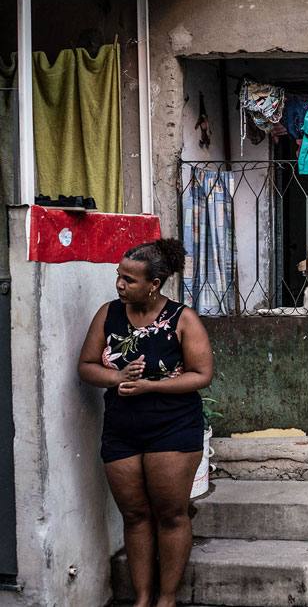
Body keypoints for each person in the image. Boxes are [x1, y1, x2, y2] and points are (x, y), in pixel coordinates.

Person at [78, 238, 213, 607]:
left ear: (154, 284)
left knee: (170, 514)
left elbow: (202, 375)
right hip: (121, 430)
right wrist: (118, 377)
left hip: (172, 428)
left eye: (129, 280)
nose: (120, 285)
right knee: (135, 516)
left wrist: (151, 385)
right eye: (118, 276)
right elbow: (87, 366)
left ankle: (166, 599)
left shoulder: (182, 319)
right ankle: (142, 599)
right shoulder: (108, 314)